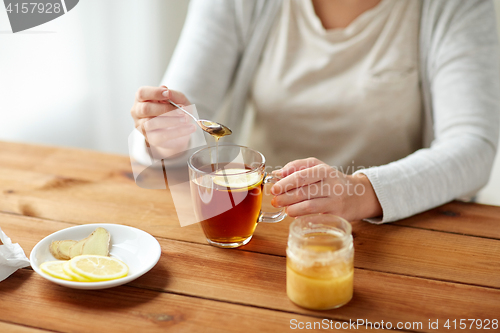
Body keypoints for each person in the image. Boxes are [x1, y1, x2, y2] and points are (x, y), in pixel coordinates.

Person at [130, 0, 500, 223]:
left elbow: (473, 146)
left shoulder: (457, 6)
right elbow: (182, 121)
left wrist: (358, 192)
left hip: (389, 227)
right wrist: (164, 139)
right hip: (258, 222)